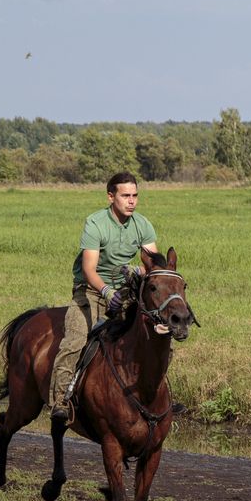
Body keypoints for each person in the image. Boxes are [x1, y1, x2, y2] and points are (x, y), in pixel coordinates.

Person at [49, 171, 158, 421]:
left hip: (126, 292)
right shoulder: (95, 223)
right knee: (75, 341)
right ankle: (61, 401)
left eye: (135, 196)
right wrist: (107, 291)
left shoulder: (143, 224)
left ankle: (153, 397)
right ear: (111, 197)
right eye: (125, 196)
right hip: (90, 291)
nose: (131, 201)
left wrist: (135, 271)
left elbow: (154, 264)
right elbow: (89, 269)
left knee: (154, 335)